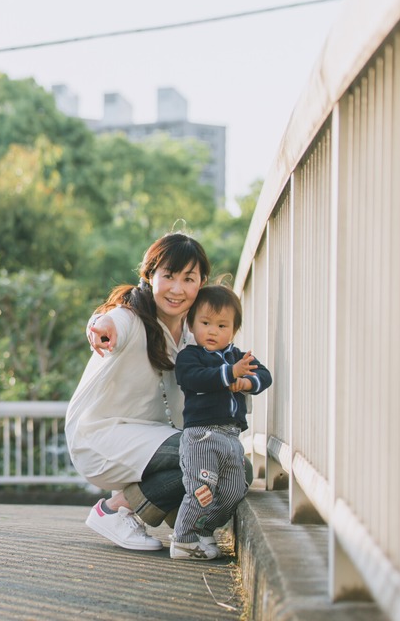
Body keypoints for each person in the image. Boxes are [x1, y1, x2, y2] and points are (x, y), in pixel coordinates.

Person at [65, 232, 210, 551]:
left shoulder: (192, 331)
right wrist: (101, 328)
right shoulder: (132, 316)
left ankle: (180, 522)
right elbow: (110, 321)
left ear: (201, 283)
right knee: (209, 453)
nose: (177, 289)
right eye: (168, 276)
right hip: (100, 436)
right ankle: (115, 509)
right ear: (149, 276)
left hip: (148, 438)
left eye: (189, 279)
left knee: (235, 466)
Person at [170, 284, 271, 560]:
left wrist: (247, 381)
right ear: (191, 324)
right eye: (205, 323)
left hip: (231, 437)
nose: (212, 331)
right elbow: (194, 379)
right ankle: (183, 540)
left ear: (234, 330)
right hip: (202, 436)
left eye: (222, 325)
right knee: (202, 490)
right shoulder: (190, 356)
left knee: (233, 490)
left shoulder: (238, 357)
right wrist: (228, 373)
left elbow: (265, 376)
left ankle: (203, 529)